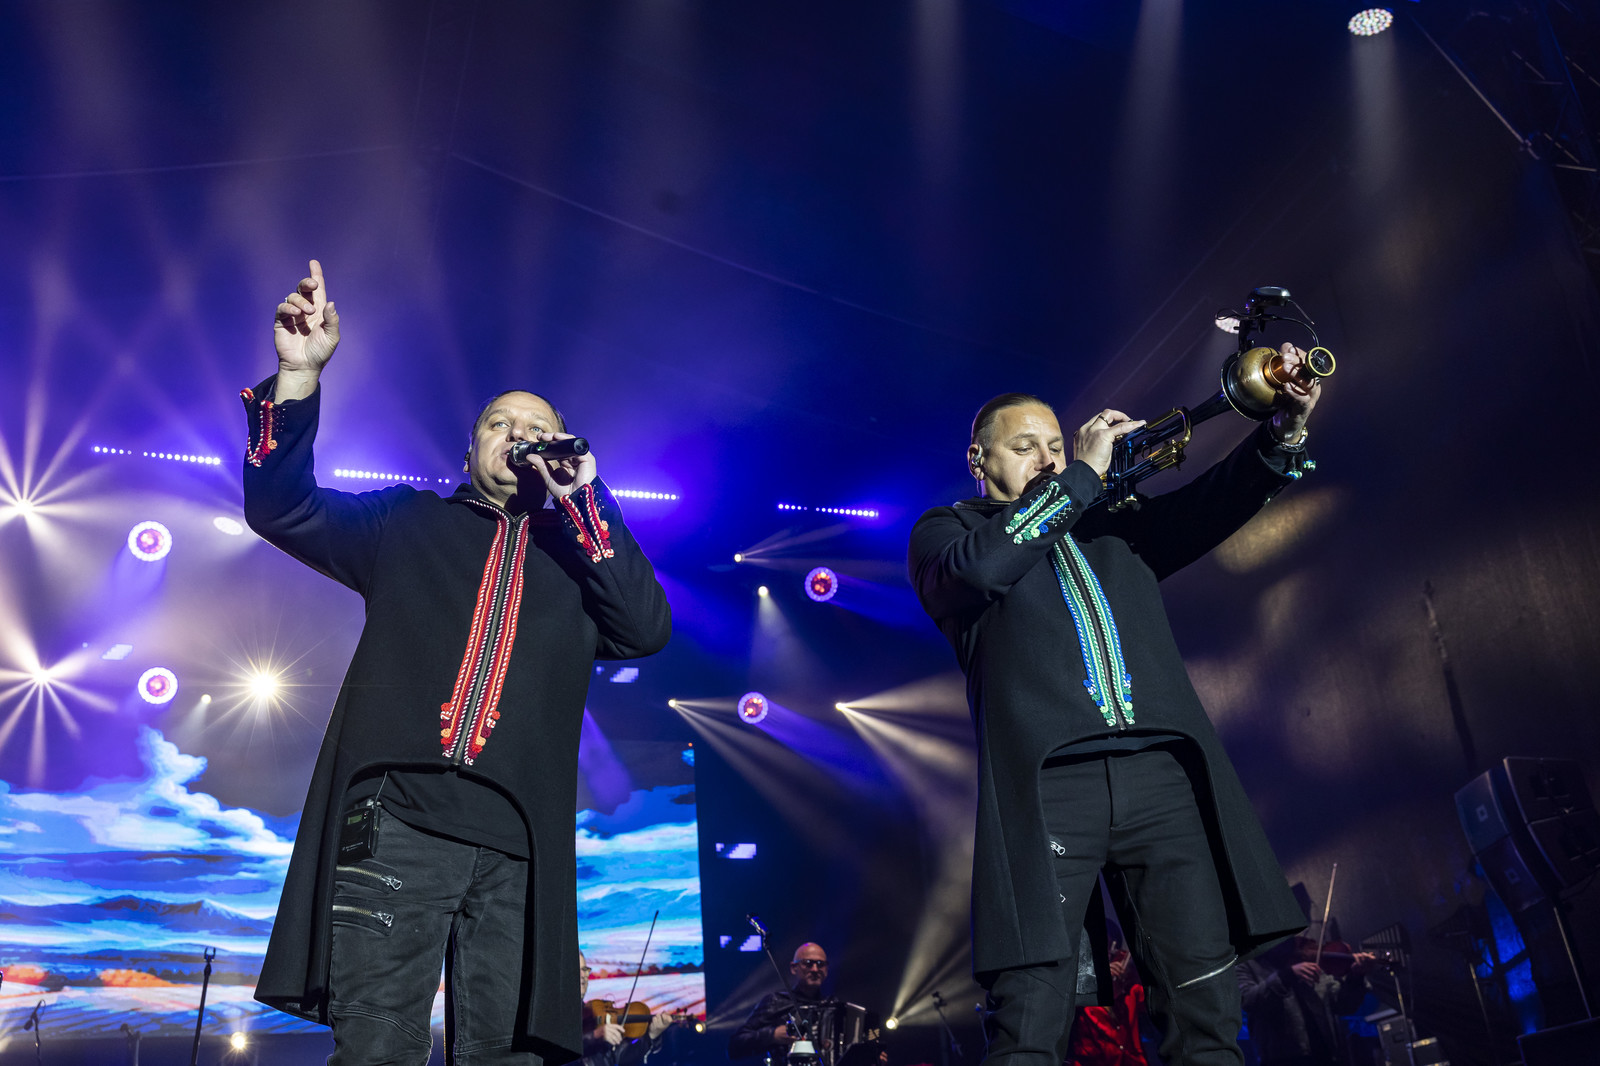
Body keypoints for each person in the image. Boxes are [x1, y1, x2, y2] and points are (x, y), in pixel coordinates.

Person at [244, 261, 672, 1064]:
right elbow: (282, 507)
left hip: (518, 849)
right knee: (377, 1050)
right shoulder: (405, 522)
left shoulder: (580, 562)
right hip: (398, 825)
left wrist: (586, 499)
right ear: (470, 447)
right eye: (499, 424)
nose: (518, 437)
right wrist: (297, 379)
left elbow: (646, 630)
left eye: (537, 428)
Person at [907, 347, 1325, 1066]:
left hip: (1162, 777)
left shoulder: (1108, 521)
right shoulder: (947, 533)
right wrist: (1079, 478)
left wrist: (1282, 432)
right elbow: (982, 570)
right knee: (1029, 1016)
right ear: (979, 459)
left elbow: (1209, 506)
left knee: (1206, 1008)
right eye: (1024, 447)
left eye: (1055, 445)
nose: (1047, 458)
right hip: (1048, 786)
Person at [1237, 936, 1375, 1066]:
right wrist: (1286, 976)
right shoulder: (1246, 964)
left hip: (1327, 1056)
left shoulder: (1308, 959)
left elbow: (1344, 1006)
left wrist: (1355, 978)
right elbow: (1248, 1000)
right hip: (1281, 1060)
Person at [730, 943, 859, 1066]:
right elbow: (735, 1046)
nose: (815, 969)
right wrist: (772, 1035)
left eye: (820, 964)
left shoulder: (834, 1005)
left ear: (827, 969)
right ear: (793, 968)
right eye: (808, 963)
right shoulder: (776, 1002)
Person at [581, 951, 674, 1066]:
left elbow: (620, 1057)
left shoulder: (591, 1011)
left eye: (584, 969)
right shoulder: (560, 1016)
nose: (583, 975)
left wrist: (651, 1036)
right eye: (577, 970)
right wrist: (595, 1036)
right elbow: (562, 1051)